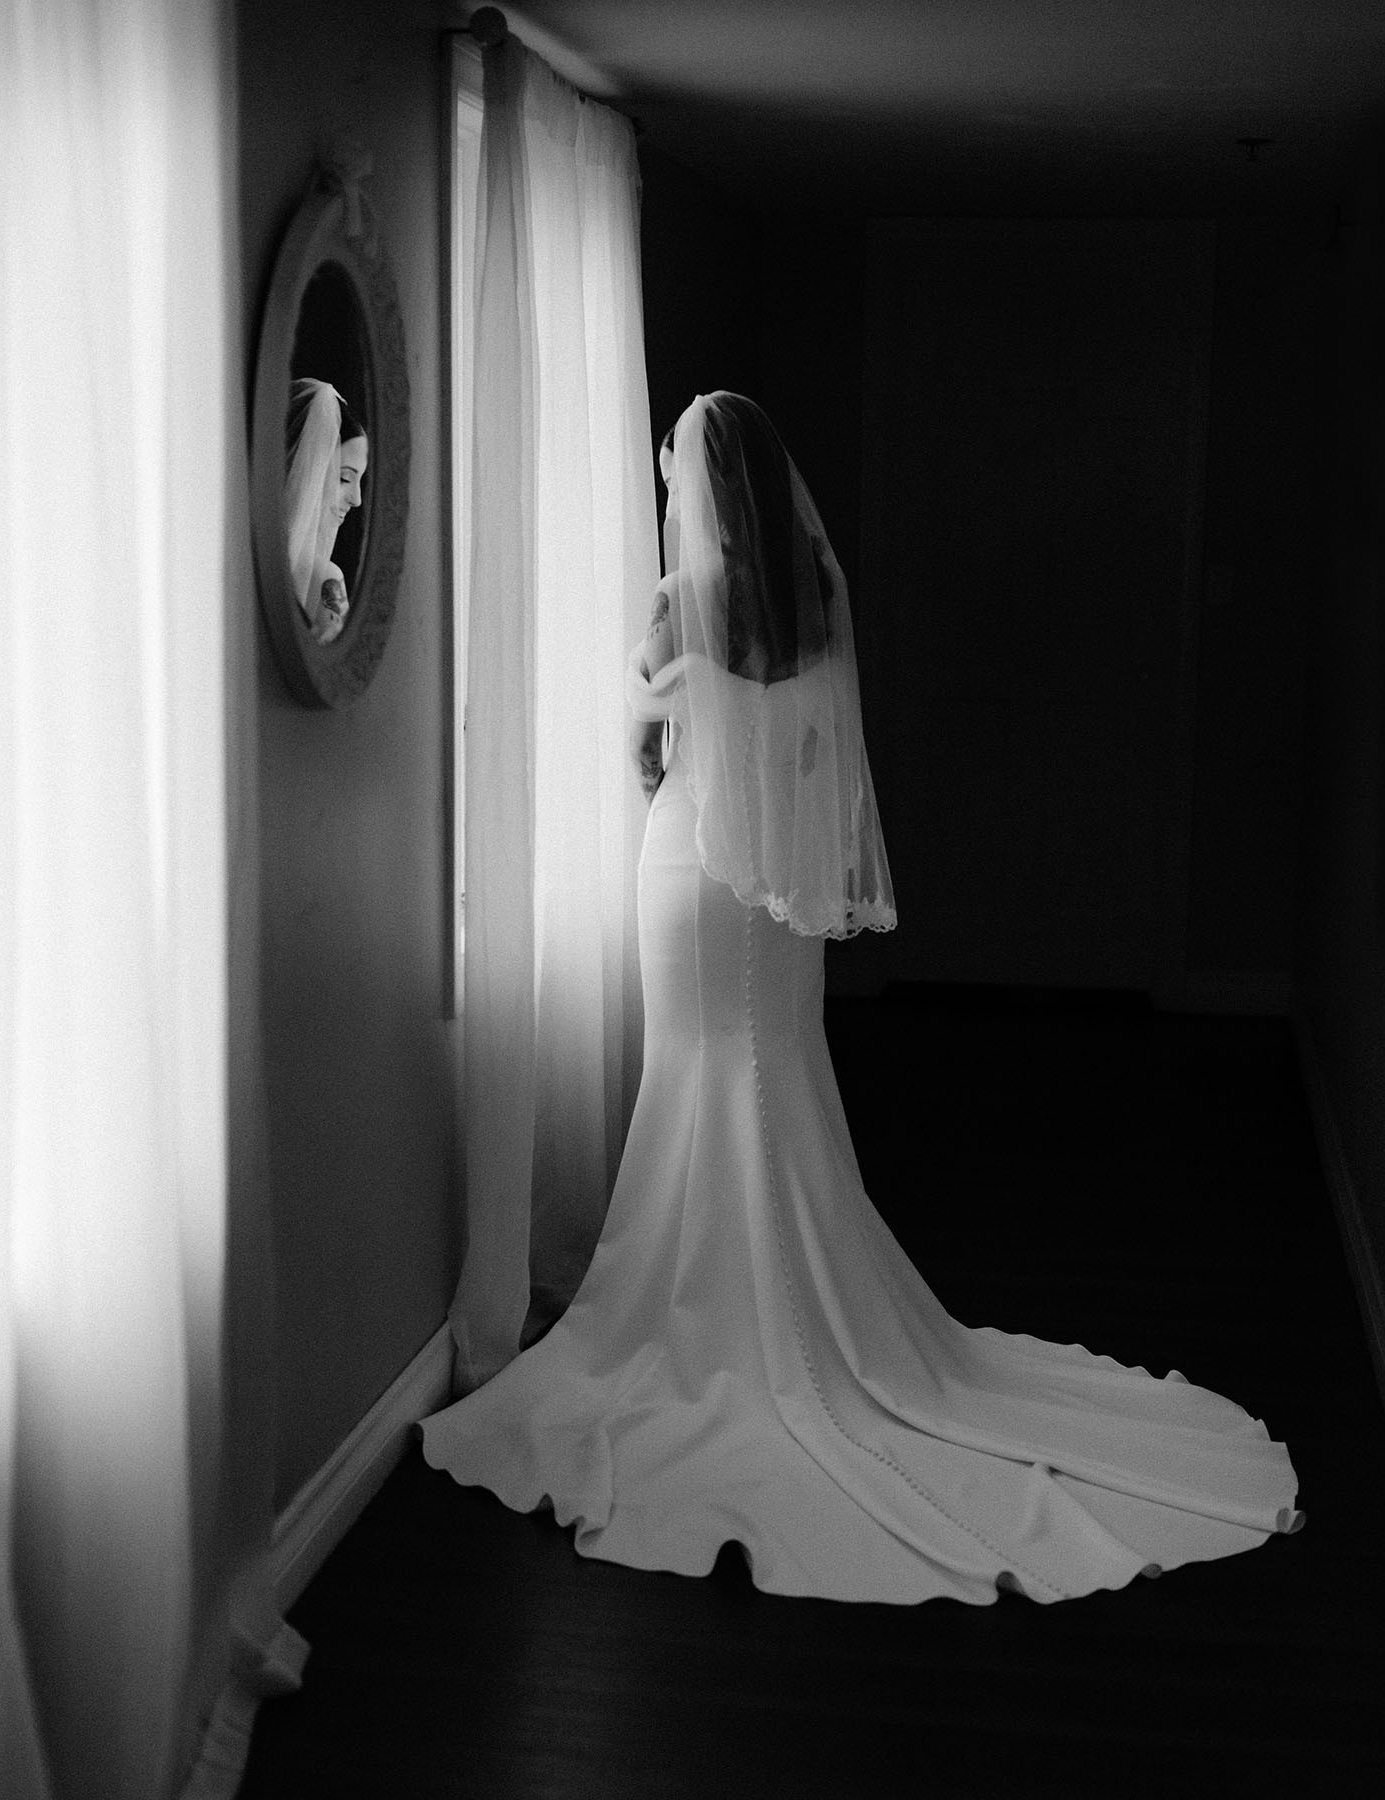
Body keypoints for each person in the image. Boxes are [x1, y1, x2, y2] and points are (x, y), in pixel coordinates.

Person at [421, 391, 1302, 1604]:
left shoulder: (685, 604)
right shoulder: (818, 598)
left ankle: (702, 1313)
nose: (668, 492)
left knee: (694, 1076)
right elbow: (817, 763)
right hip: (777, 898)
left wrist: (664, 725)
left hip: (689, 870)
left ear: (699, 488)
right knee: (773, 1068)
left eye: (674, 474)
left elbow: (641, 751)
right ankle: (809, 1312)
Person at [283, 377, 368, 645]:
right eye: (344, 478)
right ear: (310, 469)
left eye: (359, 480)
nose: (357, 500)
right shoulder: (326, 577)